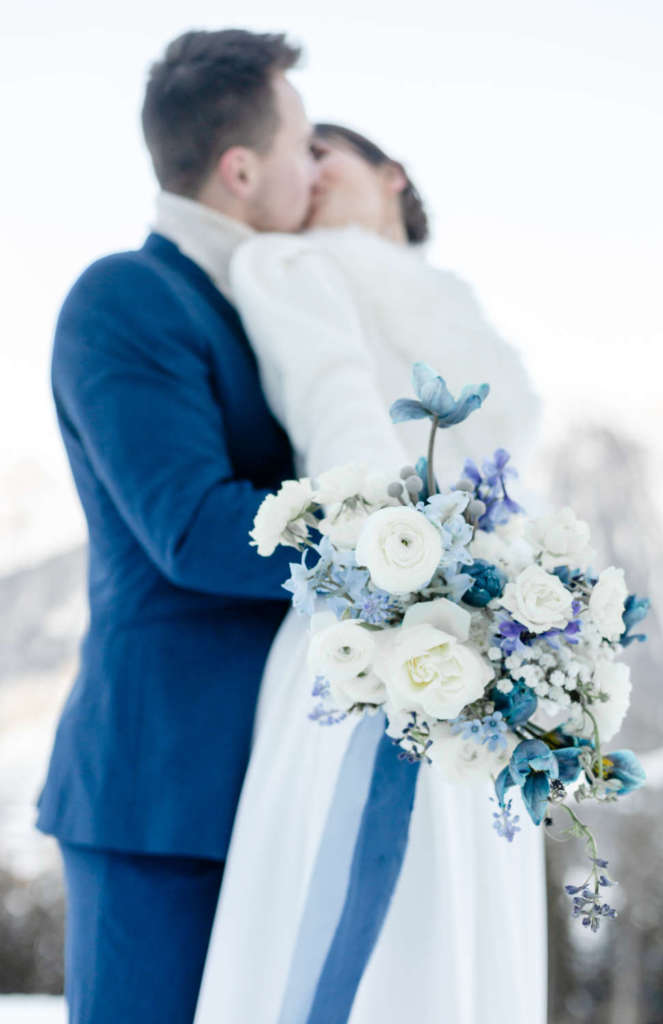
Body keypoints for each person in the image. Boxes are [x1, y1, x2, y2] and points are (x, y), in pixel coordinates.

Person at [190, 126, 547, 1023]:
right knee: (364, 906)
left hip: (490, 651)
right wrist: (411, 572)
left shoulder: (460, 313)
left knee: (463, 922)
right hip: (371, 623)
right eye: (293, 153)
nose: (302, 171)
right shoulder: (291, 267)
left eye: (324, 152)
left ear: (390, 175)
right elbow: (338, 418)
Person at [34, 29, 322, 1023]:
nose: (315, 168)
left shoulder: (271, 306)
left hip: (269, 778)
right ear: (240, 170)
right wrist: (399, 556)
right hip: (161, 791)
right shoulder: (126, 298)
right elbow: (194, 528)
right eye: (303, 146)